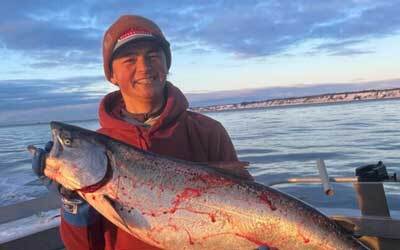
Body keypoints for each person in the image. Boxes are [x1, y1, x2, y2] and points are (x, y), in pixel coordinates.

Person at [32, 15, 251, 250]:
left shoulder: (208, 132)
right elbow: (83, 247)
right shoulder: (96, 149)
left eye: (153, 56)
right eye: (129, 60)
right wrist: (72, 202)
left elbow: (248, 207)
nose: (144, 67)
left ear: (167, 65)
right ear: (112, 76)